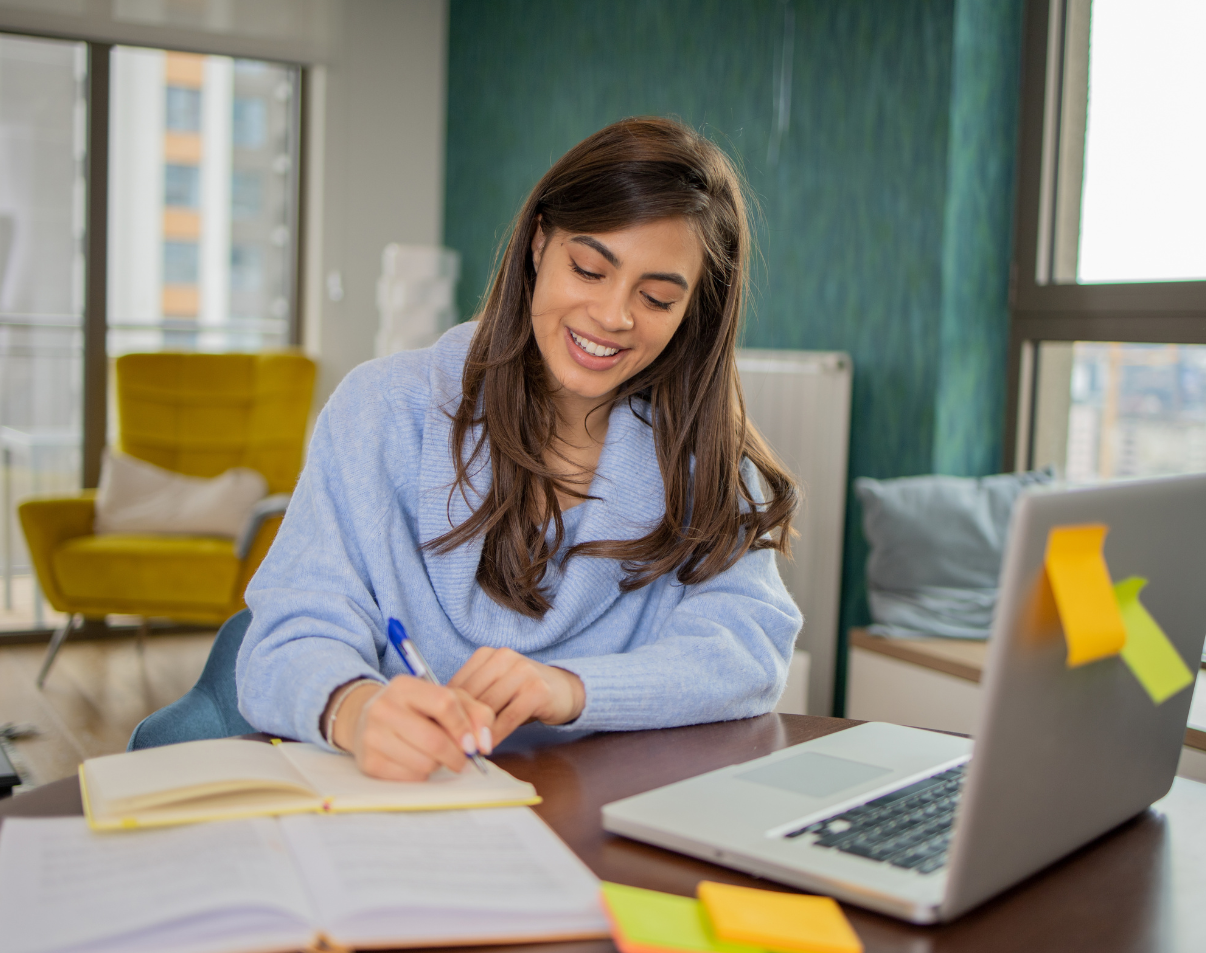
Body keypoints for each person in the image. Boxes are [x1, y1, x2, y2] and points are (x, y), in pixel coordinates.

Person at [236, 117, 802, 780]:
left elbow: (748, 649)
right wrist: (353, 709)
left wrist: (568, 688)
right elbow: (286, 637)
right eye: (590, 270)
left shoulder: (707, 464)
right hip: (399, 809)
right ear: (539, 243)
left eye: (655, 297)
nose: (613, 316)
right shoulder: (381, 412)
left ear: (691, 313)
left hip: (599, 818)